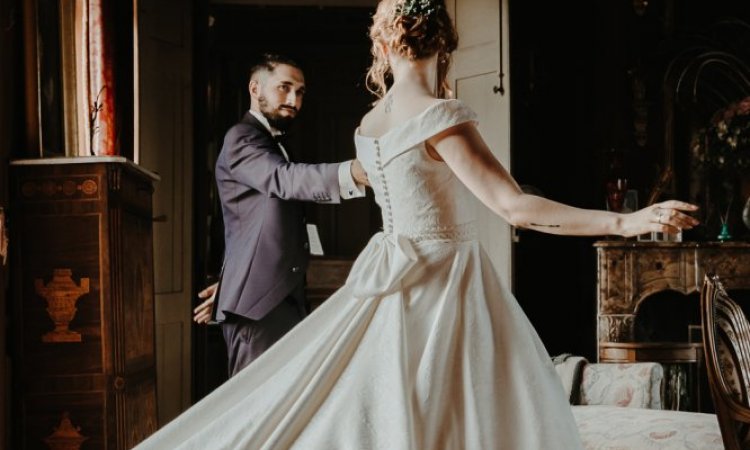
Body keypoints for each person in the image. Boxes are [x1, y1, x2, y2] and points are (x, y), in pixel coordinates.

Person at [136, 1, 698, 448]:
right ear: (444, 43)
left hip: (390, 279)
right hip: (445, 281)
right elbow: (515, 207)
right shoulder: (440, 116)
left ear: (383, 44)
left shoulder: (369, 123)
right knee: (458, 411)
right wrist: (627, 221)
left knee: (385, 410)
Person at [204, 53, 369, 377]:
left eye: (300, 92)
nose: (293, 100)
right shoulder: (241, 137)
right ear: (255, 88)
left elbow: (248, 224)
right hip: (258, 305)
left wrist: (229, 281)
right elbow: (284, 179)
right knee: (252, 407)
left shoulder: (272, 142)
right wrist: (353, 173)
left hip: (281, 296)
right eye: (284, 88)